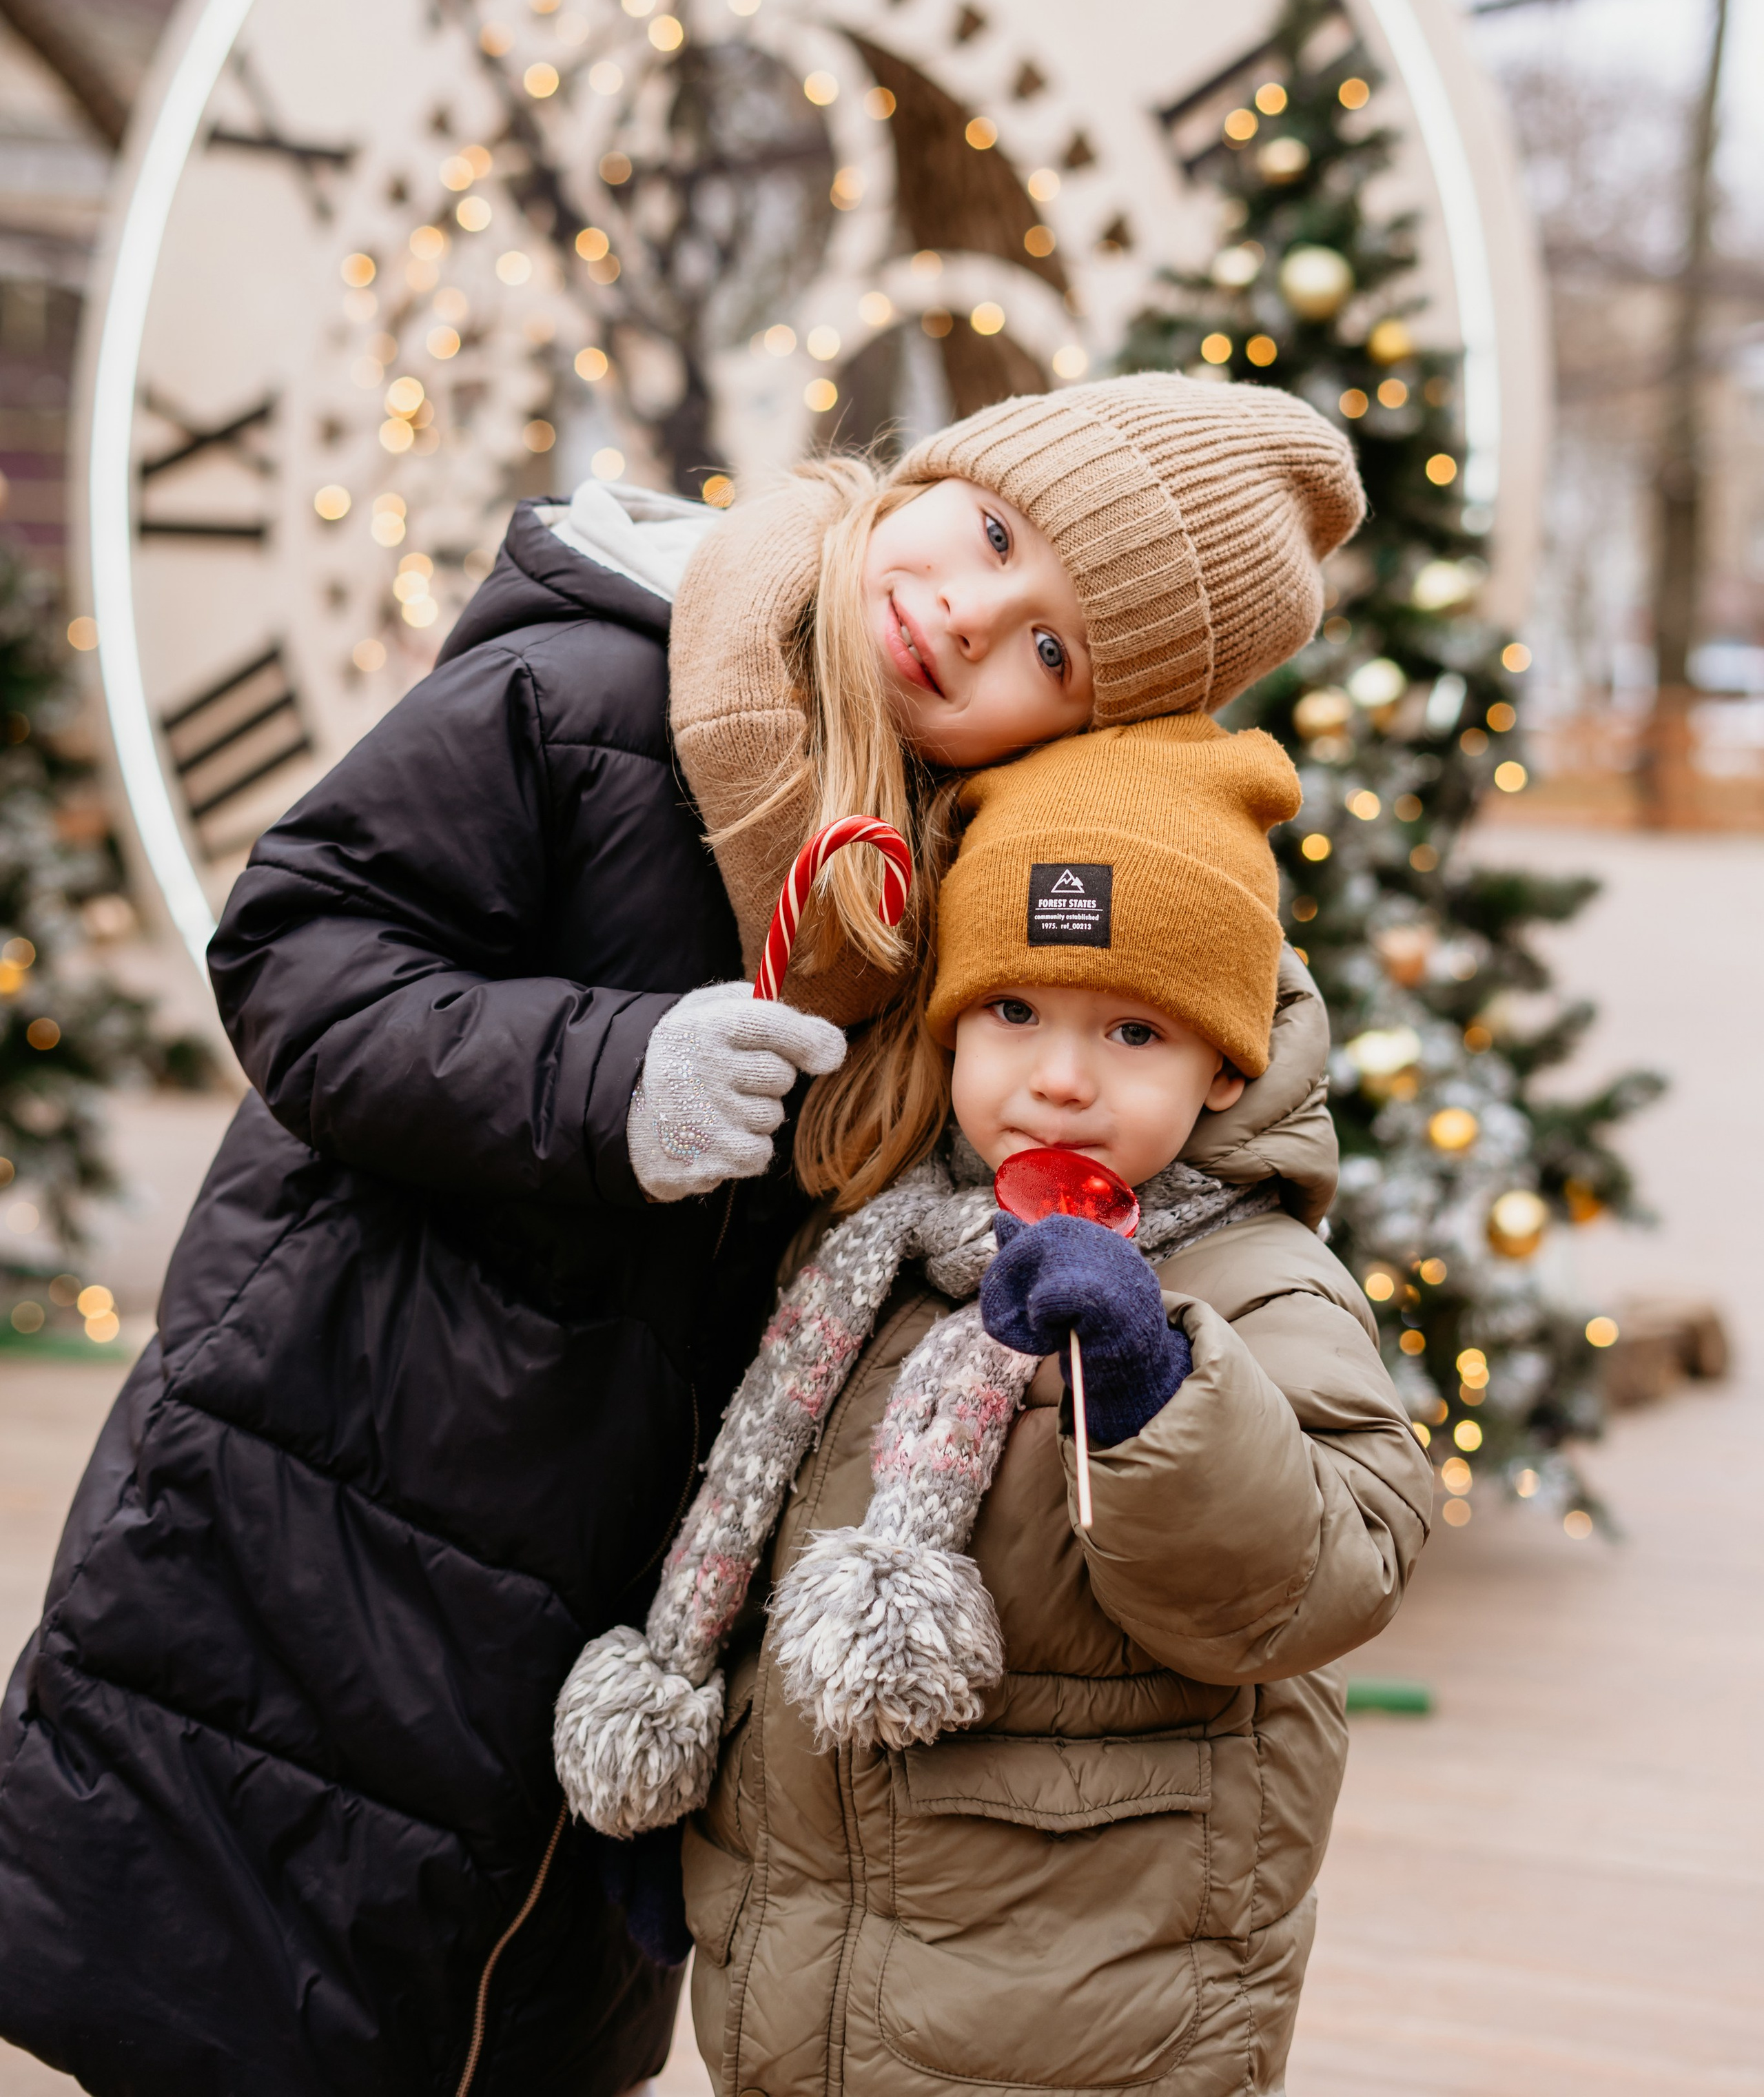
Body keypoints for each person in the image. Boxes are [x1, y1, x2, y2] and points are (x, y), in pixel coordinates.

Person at [0, 375, 1362, 2096]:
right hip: (330, 1482)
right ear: (941, 473)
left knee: (491, 2022)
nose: (961, 615)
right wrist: (609, 1074)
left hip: (615, 1578)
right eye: (995, 535)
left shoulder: (962, 867)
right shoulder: (591, 682)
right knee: (247, 2005)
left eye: (1050, 650)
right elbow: (298, 952)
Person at [555, 716, 1433, 2097]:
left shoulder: (1254, 1283)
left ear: (1219, 1065)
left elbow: (1323, 1571)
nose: (1059, 1076)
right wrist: (715, 1828)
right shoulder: (883, 1248)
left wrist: (1147, 1388)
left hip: (1090, 1994)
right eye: (1012, 1012)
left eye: (1131, 1030)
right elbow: (772, 1536)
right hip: (812, 1972)